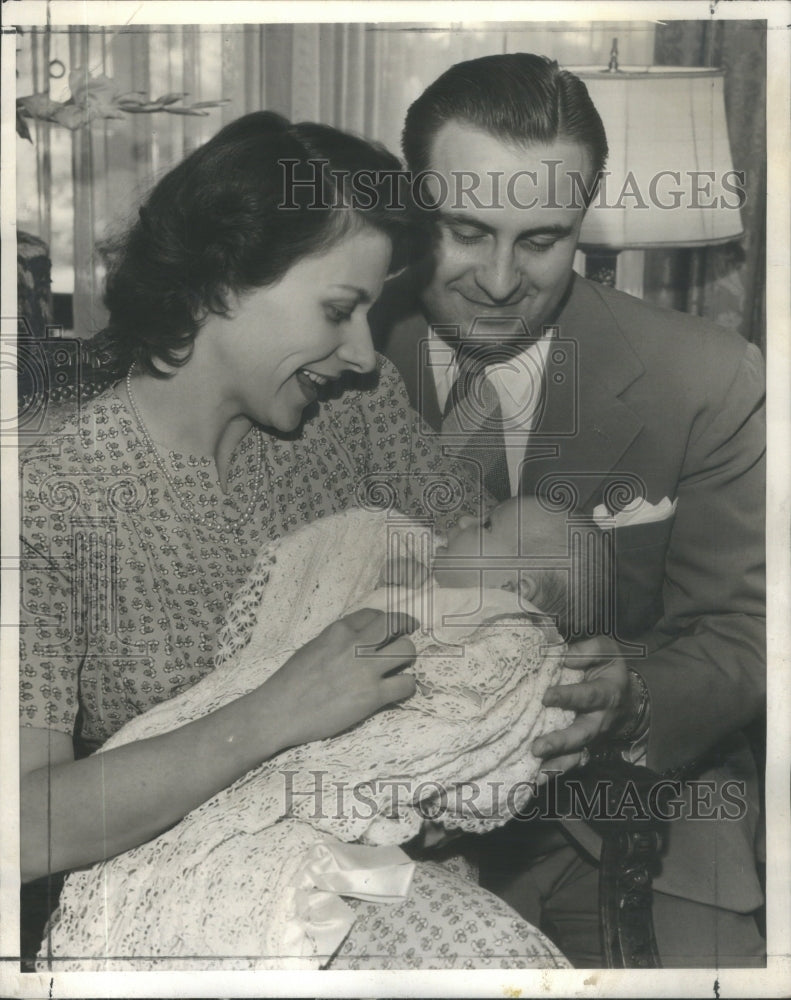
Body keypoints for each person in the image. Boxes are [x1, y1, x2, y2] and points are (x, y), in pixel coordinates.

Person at [19, 110, 566, 971]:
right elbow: (25, 828)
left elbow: (500, 570)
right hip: (190, 907)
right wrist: (278, 710)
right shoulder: (52, 496)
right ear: (217, 283)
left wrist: (570, 677)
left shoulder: (351, 412)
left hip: (385, 868)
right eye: (340, 311)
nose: (361, 355)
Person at [373, 53, 766, 967]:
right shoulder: (331, 351)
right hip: (374, 832)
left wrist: (634, 702)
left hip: (643, 817)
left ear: (583, 220)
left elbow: (745, 635)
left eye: (541, 240)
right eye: (465, 232)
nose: (501, 282)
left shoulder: (707, 379)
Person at [41, 496, 596, 970]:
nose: (461, 526)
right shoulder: (437, 595)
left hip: (378, 770)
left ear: (514, 584)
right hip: (300, 751)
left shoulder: (505, 622)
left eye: (488, 527)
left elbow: (476, 685)